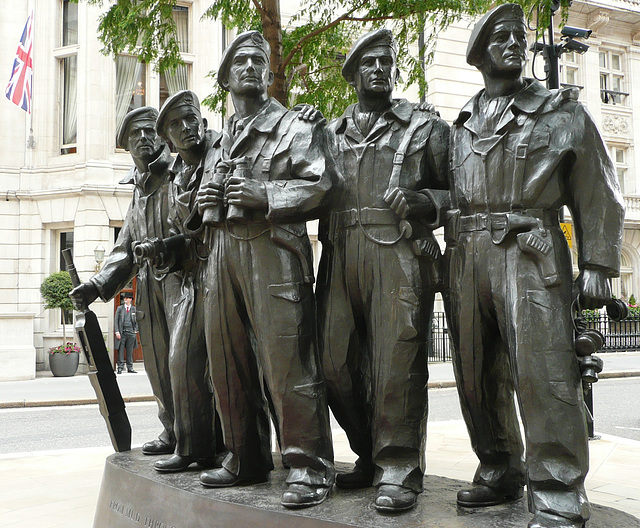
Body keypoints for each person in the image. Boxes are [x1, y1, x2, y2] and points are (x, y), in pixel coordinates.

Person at [444, 5, 624, 528]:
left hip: (531, 252)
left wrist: (596, 262)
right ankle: (498, 466)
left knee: (544, 371)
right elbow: (448, 190)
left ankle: (558, 488)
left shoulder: (560, 111)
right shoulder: (461, 122)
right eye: (501, 37)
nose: (515, 44)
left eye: (519, 36)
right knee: (476, 373)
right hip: (467, 255)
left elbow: (598, 187)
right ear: (478, 53)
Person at [195, 31, 335, 509]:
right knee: (227, 359)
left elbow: (321, 187)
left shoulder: (294, 127)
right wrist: (206, 200)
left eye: (259, 60)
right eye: (241, 60)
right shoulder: (220, 138)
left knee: (287, 362)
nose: (252, 66)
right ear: (226, 76)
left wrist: (267, 195)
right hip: (222, 255)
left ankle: (308, 465)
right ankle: (245, 455)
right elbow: (202, 201)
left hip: (274, 252)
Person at [314, 28, 450, 512]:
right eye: (368, 63)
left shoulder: (423, 127)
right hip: (339, 250)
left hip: (397, 252)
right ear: (352, 75)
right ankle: (368, 452)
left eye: (386, 62)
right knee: (333, 363)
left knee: (397, 362)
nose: (379, 69)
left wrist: (423, 201)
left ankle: (399, 467)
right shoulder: (328, 133)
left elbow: (461, 193)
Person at [69, 106, 177, 455]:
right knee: (159, 366)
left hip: (183, 282)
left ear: (163, 136)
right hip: (149, 287)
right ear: (126, 146)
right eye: (135, 135)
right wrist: (97, 285)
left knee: (187, 364)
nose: (143, 139)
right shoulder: (138, 186)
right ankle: (173, 429)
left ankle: (204, 437)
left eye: (150, 131)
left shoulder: (180, 173)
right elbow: (126, 246)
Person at [151, 90, 224, 473]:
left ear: (203, 121)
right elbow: (189, 234)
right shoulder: (177, 176)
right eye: (176, 125)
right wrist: (164, 248)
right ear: (169, 141)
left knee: (249, 368)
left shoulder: (223, 151)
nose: (186, 128)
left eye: (190, 119)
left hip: (232, 267)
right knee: (182, 360)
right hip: (197, 277)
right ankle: (194, 446)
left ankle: (251, 451)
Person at [114, 293, 138, 373]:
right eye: (125, 298)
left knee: (129, 351)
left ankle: (130, 367)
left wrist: (135, 331)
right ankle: (120, 367)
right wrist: (117, 331)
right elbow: (116, 320)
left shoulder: (134, 309)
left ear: (131, 299)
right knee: (120, 350)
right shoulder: (120, 308)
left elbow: (137, 321)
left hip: (131, 333)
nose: (125, 299)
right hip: (122, 332)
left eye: (127, 298)